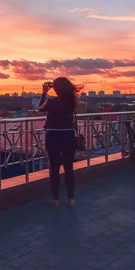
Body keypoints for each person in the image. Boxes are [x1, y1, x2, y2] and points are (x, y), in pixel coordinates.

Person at [38, 77, 83, 208]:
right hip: (68, 135)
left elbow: (41, 108)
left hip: (53, 135)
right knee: (69, 167)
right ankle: (71, 199)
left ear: (56, 88)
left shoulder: (51, 101)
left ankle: (56, 200)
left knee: (55, 167)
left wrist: (44, 92)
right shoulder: (72, 102)